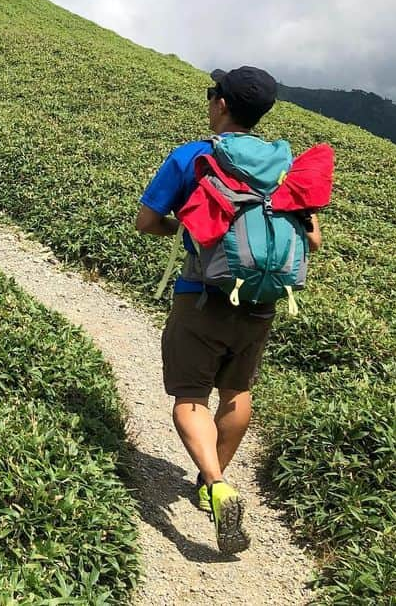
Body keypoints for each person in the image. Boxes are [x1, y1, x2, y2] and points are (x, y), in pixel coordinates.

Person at [135, 66, 321, 554]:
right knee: (236, 392)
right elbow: (313, 239)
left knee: (190, 398)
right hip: (262, 302)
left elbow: (146, 221)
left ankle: (216, 484)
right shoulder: (284, 165)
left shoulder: (195, 156)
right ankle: (207, 482)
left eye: (212, 94)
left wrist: (187, 230)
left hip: (202, 295)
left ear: (220, 104)